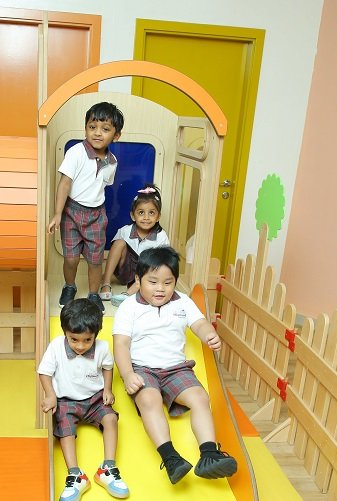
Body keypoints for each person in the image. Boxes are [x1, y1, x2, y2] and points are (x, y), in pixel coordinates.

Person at [113, 246, 237, 484]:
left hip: (176, 369)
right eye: (152, 282)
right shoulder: (129, 307)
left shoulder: (183, 302)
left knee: (200, 397)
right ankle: (171, 459)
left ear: (175, 282)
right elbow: (121, 344)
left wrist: (209, 334)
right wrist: (127, 374)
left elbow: (199, 323)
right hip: (142, 369)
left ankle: (209, 455)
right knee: (149, 399)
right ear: (138, 281)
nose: (160, 288)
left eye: (168, 282)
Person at [38, 298, 129, 501]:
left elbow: (107, 367)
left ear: (96, 334)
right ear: (65, 333)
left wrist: (107, 389)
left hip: (94, 399)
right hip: (66, 401)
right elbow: (44, 372)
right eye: (74, 340)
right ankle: (75, 474)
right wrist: (51, 395)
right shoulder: (56, 346)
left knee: (111, 419)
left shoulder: (102, 348)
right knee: (64, 427)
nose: (81, 346)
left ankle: (107, 468)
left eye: (88, 340)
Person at [48, 102, 124, 314]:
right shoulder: (76, 152)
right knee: (71, 257)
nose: (97, 133)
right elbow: (64, 183)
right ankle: (69, 286)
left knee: (95, 259)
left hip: (96, 215)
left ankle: (93, 294)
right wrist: (57, 214)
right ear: (85, 129)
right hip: (72, 212)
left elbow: (103, 185)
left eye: (105, 129)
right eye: (92, 127)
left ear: (116, 135)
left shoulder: (112, 161)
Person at [99, 183, 170, 307]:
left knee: (158, 260)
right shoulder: (124, 231)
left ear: (158, 216)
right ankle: (106, 282)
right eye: (141, 213)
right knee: (119, 243)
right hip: (126, 271)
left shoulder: (161, 236)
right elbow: (114, 253)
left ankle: (128, 294)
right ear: (133, 215)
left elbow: (163, 264)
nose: (146, 217)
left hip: (148, 275)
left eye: (151, 213)